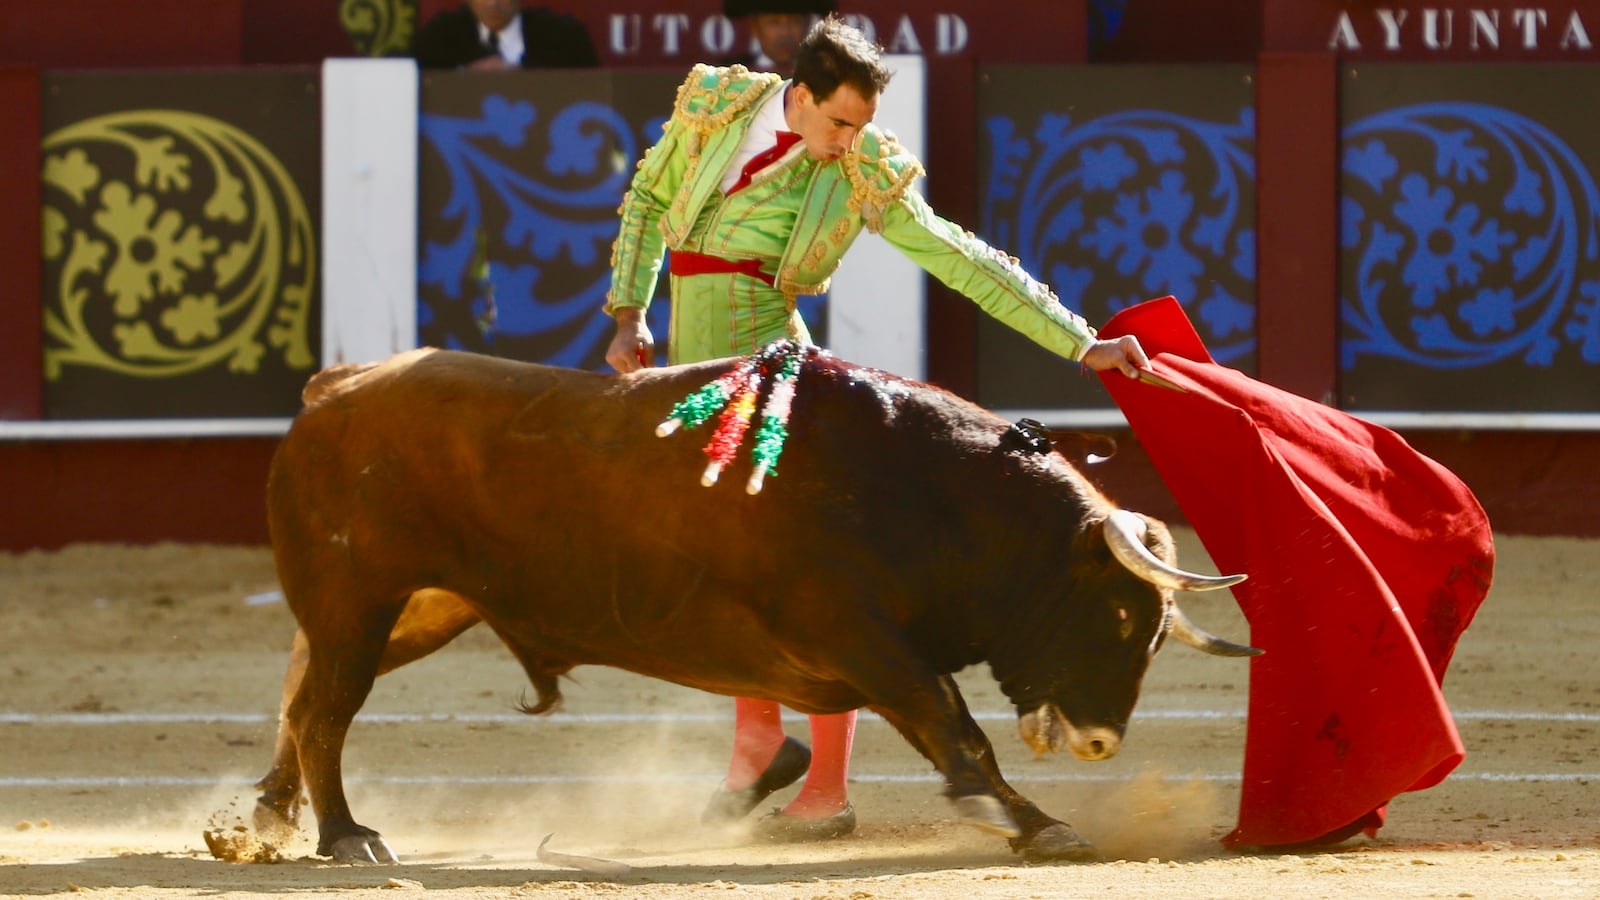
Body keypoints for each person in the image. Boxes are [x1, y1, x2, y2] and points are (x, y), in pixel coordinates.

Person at [602, 16, 1152, 842]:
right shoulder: (717, 105)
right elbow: (647, 200)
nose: (850, 140)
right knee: (725, 558)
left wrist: (1081, 340)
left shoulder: (861, 169)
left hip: (771, 369)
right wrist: (628, 310)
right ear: (801, 94)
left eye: (861, 126)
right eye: (840, 122)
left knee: (808, 569)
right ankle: (758, 742)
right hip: (692, 363)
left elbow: (957, 255)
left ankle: (822, 787)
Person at [413, 0, 599, 71]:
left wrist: (521, 77)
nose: (492, 3)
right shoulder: (438, 37)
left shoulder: (565, 38)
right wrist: (463, 76)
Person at [721, 0, 835, 73]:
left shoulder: (824, 73)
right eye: (774, 22)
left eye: (795, 21)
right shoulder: (730, 74)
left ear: (807, 24)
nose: (785, 32)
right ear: (754, 27)